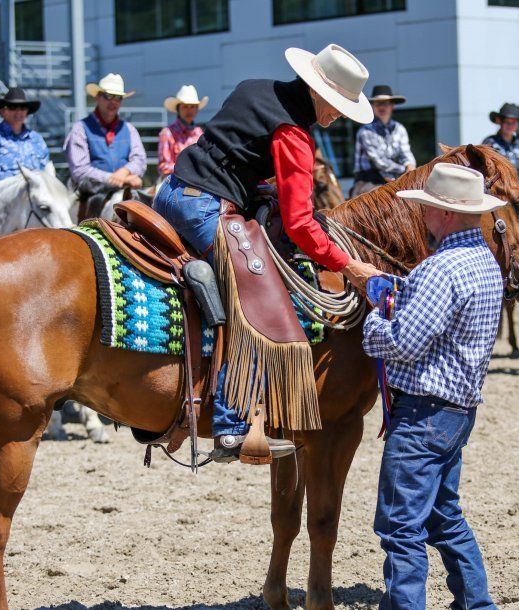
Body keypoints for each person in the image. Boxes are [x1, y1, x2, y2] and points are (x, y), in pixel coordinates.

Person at [154, 43, 382, 461]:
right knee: (258, 298)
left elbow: (232, 152)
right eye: (335, 106)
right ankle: (230, 425)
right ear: (317, 92)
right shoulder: (294, 135)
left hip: (169, 191)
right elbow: (299, 225)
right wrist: (348, 265)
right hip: (204, 206)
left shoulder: (252, 87)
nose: (335, 117)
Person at [341, 163, 504, 610]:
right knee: (443, 517)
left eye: (426, 207)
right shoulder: (483, 265)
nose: (421, 214)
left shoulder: (439, 270)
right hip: (458, 410)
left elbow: (402, 343)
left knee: (400, 525)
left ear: (440, 212)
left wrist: (374, 319)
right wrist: (394, 292)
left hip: (423, 412)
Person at [64, 73, 147, 219]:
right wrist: (118, 178)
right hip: (91, 198)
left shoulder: (129, 129)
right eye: (108, 96)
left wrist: (124, 171)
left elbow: (140, 160)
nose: (113, 102)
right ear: (97, 97)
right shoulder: (81, 128)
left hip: (124, 194)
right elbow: (79, 170)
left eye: (118, 98)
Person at [350, 85, 415, 197]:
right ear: (373, 106)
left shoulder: (399, 129)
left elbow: (406, 153)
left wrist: (410, 165)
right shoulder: (366, 131)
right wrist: (404, 169)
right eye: (378, 103)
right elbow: (379, 161)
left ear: (392, 106)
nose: (382, 107)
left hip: (395, 179)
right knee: (381, 198)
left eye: (386, 103)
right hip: (367, 181)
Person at [0, 87, 50, 185]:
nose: (18, 112)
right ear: (2, 111)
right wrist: (23, 185)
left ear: (27, 112)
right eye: (12, 107)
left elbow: (45, 173)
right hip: (3, 197)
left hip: (34, 195)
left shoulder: (36, 139)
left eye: (23, 108)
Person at [158, 84, 206, 179]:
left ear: (197, 109)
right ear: (178, 109)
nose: (189, 110)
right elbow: (164, 166)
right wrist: (188, 168)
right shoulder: (167, 133)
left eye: (192, 106)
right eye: (185, 106)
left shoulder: (199, 133)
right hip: (174, 181)